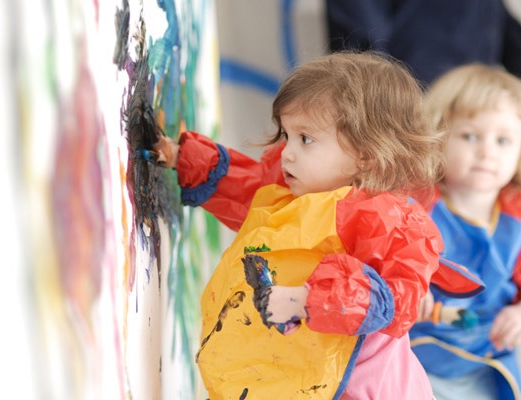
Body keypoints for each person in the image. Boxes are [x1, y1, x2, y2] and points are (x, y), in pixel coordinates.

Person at [149, 52, 483, 399]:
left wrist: (305, 300)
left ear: (366, 153)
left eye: (305, 138)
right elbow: (246, 189)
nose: (288, 152)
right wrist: (181, 158)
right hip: (292, 377)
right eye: (286, 134)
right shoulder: (292, 193)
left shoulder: (386, 220)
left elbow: (394, 302)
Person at [409, 64, 521, 400]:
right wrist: (407, 280)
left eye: (503, 141)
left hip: (484, 365)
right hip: (408, 357)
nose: (487, 152)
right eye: (469, 136)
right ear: (437, 137)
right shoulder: (414, 202)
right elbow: (377, 252)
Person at [326, 0, 521, 86]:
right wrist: (387, 98)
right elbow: (362, 35)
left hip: (473, 100)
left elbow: (494, 13)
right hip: (411, 99)